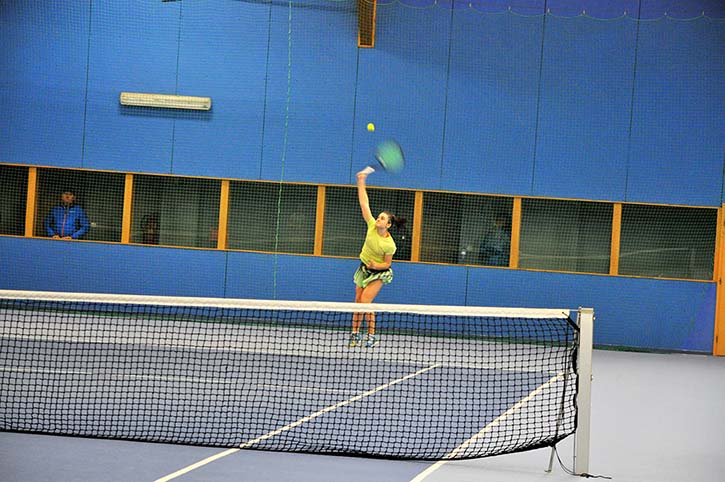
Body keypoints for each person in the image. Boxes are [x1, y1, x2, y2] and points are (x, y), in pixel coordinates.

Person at [349, 167, 407, 348]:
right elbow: (364, 204)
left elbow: (387, 264)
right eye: (379, 217)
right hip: (364, 267)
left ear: (388, 225)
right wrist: (361, 181)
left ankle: (372, 336)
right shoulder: (371, 226)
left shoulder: (390, 244)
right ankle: (355, 334)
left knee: (366, 302)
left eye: (382, 218)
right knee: (358, 302)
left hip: (379, 272)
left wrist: (376, 266)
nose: (378, 219)